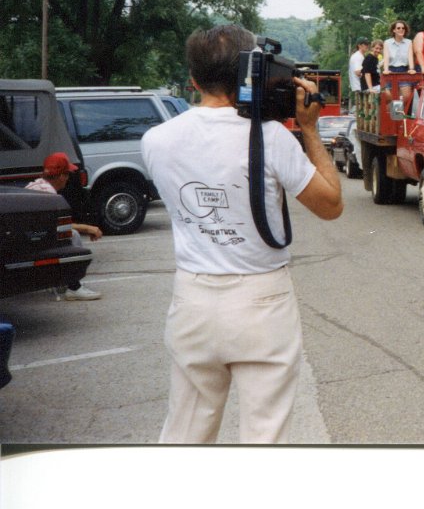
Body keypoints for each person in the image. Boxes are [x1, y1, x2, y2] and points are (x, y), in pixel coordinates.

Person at [141, 24, 343, 444]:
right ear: (251, 73)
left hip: (193, 298)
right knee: (264, 436)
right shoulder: (271, 137)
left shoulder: (156, 140)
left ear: (193, 79)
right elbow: (331, 205)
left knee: (185, 432)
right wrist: (309, 128)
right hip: (261, 301)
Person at [25, 152, 102, 301]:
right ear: (61, 176)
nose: (68, 178)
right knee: (71, 235)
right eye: (67, 174)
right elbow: (57, 225)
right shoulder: (48, 194)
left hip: (22, 234)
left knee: (67, 233)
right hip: (28, 239)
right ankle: (74, 287)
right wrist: (88, 228)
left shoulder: (38, 184)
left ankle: (64, 281)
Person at [382, 19, 417, 109]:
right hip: (391, 70)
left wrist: (412, 68)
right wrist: (386, 69)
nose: (401, 30)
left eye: (403, 28)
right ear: (394, 30)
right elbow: (386, 57)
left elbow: (410, 56)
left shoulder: (409, 42)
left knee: (407, 96)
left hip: (403, 70)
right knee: (388, 96)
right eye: (398, 28)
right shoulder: (387, 42)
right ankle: (392, 115)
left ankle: (398, 111)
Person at [348, 38, 369, 109]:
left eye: (367, 44)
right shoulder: (358, 56)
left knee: (363, 109)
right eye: (365, 44)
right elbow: (358, 72)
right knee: (363, 109)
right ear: (359, 45)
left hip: (360, 88)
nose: (367, 46)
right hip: (360, 88)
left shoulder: (359, 56)